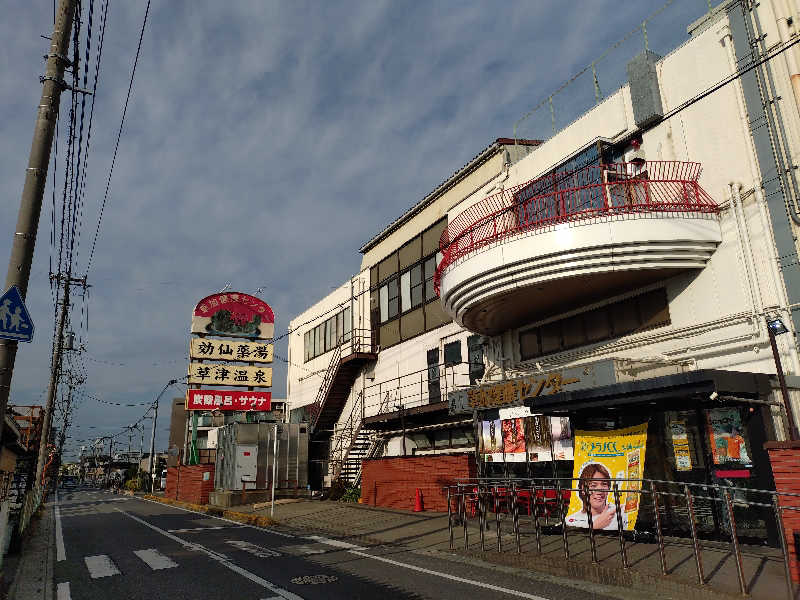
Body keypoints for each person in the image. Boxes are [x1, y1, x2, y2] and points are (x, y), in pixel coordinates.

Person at [565, 462, 628, 531]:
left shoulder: (620, 512)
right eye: (593, 485)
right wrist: (595, 526)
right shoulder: (570, 520)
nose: (600, 491)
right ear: (583, 489)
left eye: (604, 484)